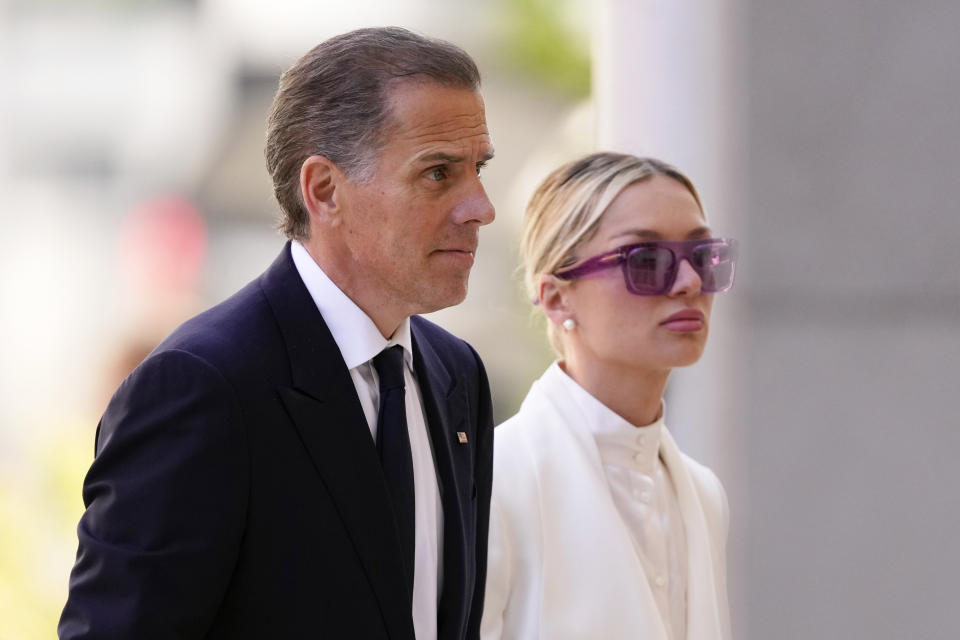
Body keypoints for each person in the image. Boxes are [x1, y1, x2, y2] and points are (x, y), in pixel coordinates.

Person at [60, 27, 496, 640]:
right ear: (324, 190)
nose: (480, 206)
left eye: (478, 168)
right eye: (437, 174)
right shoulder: (200, 385)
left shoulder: (456, 375)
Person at [480, 152, 736, 639]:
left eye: (703, 255)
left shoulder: (703, 494)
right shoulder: (492, 486)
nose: (690, 283)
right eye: (646, 261)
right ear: (556, 297)